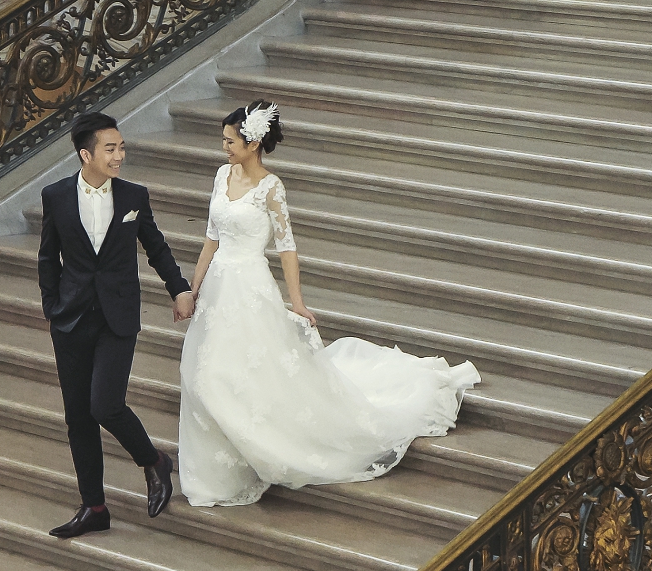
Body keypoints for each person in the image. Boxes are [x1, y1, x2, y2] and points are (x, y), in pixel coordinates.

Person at [175, 100, 479, 507]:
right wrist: (193, 289)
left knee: (238, 375)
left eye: (230, 141)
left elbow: (286, 249)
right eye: (224, 141)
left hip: (250, 290)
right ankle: (220, 472)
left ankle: (257, 455)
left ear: (254, 142)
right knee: (205, 374)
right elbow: (211, 238)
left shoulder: (271, 187)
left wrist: (297, 302)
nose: (225, 147)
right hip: (216, 291)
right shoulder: (220, 176)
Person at [37, 110, 197, 539]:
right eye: (111, 148)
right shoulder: (55, 195)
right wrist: (52, 306)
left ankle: (154, 461)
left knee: (104, 404)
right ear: (85, 154)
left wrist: (179, 288)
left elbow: (156, 247)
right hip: (70, 319)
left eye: (121, 146)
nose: (120, 155)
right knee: (78, 418)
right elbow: (47, 256)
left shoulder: (133, 197)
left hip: (117, 316)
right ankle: (94, 507)